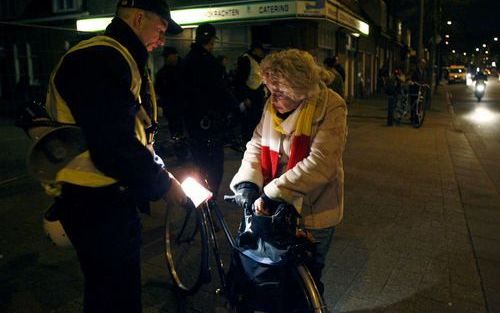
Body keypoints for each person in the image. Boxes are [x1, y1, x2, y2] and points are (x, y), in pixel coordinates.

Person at [43, 1, 187, 312]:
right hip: (96, 202)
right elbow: (114, 145)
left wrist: (159, 170)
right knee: (114, 298)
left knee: (110, 292)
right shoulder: (99, 57)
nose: (162, 41)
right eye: (160, 30)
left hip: (102, 199)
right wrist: (163, 184)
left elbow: (131, 131)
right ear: (138, 17)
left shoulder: (115, 56)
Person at [230, 49, 348, 297]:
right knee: (273, 278)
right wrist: (248, 183)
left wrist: (272, 192)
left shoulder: (331, 106)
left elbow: (321, 163)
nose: (272, 99)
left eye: (280, 93)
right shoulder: (271, 106)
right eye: (269, 91)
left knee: (306, 282)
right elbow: (256, 144)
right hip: (273, 210)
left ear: (301, 90)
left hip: (314, 211)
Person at [181, 23, 238, 197]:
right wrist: (235, 107)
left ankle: (199, 201)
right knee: (214, 167)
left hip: (193, 122)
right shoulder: (210, 63)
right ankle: (209, 202)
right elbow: (220, 91)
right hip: (210, 123)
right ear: (211, 41)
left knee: (199, 163)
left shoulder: (187, 61)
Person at [234, 41, 267, 145]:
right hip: (250, 94)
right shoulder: (245, 59)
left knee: (256, 120)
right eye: (261, 50)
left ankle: (255, 142)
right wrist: (244, 97)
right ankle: (248, 142)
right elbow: (240, 80)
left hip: (257, 94)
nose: (262, 53)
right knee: (249, 121)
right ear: (256, 50)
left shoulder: (257, 60)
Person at [155, 46, 183, 138]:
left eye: (175, 56)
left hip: (181, 105)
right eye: (172, 56)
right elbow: (158, 90)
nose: (174, 58)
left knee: (180, 128)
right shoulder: (162, 73)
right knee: (174, 128)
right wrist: (160, 104)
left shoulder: (182, 70)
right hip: (171, 107)